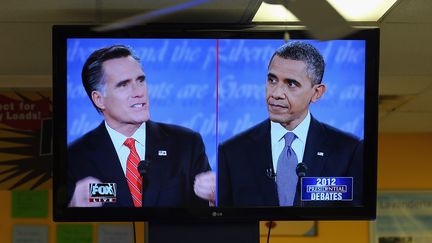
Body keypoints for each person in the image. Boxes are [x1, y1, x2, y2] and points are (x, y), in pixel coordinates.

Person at [217, 41, 363, 207]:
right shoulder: (233, 151)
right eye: (272, 80)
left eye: (291, 84)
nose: (276, 93)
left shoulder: (348, 151)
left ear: (316, 93)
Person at [68, 45, 215, 207]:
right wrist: (74, 205)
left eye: (140, 80)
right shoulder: (75, 156)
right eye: (123, 84)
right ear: (99, 99)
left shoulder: (186, 143)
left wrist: (215, 198)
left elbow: (207, 213)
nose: (138, 92)